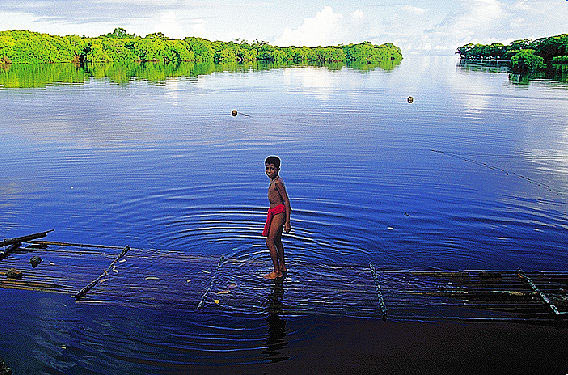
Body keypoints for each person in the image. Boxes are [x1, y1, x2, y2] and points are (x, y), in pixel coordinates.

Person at [262, 156, 291, 279]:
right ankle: (282, 266)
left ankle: (276, 271)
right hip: (274, 212)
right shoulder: (273, 181)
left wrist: (287, 221)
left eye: (272, 169)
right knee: (277, 241)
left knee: (270, 242)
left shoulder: (278, 183)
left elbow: (286, 201)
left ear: (278, 169)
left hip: (279, 212)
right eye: (267, 168)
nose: (269, 171)